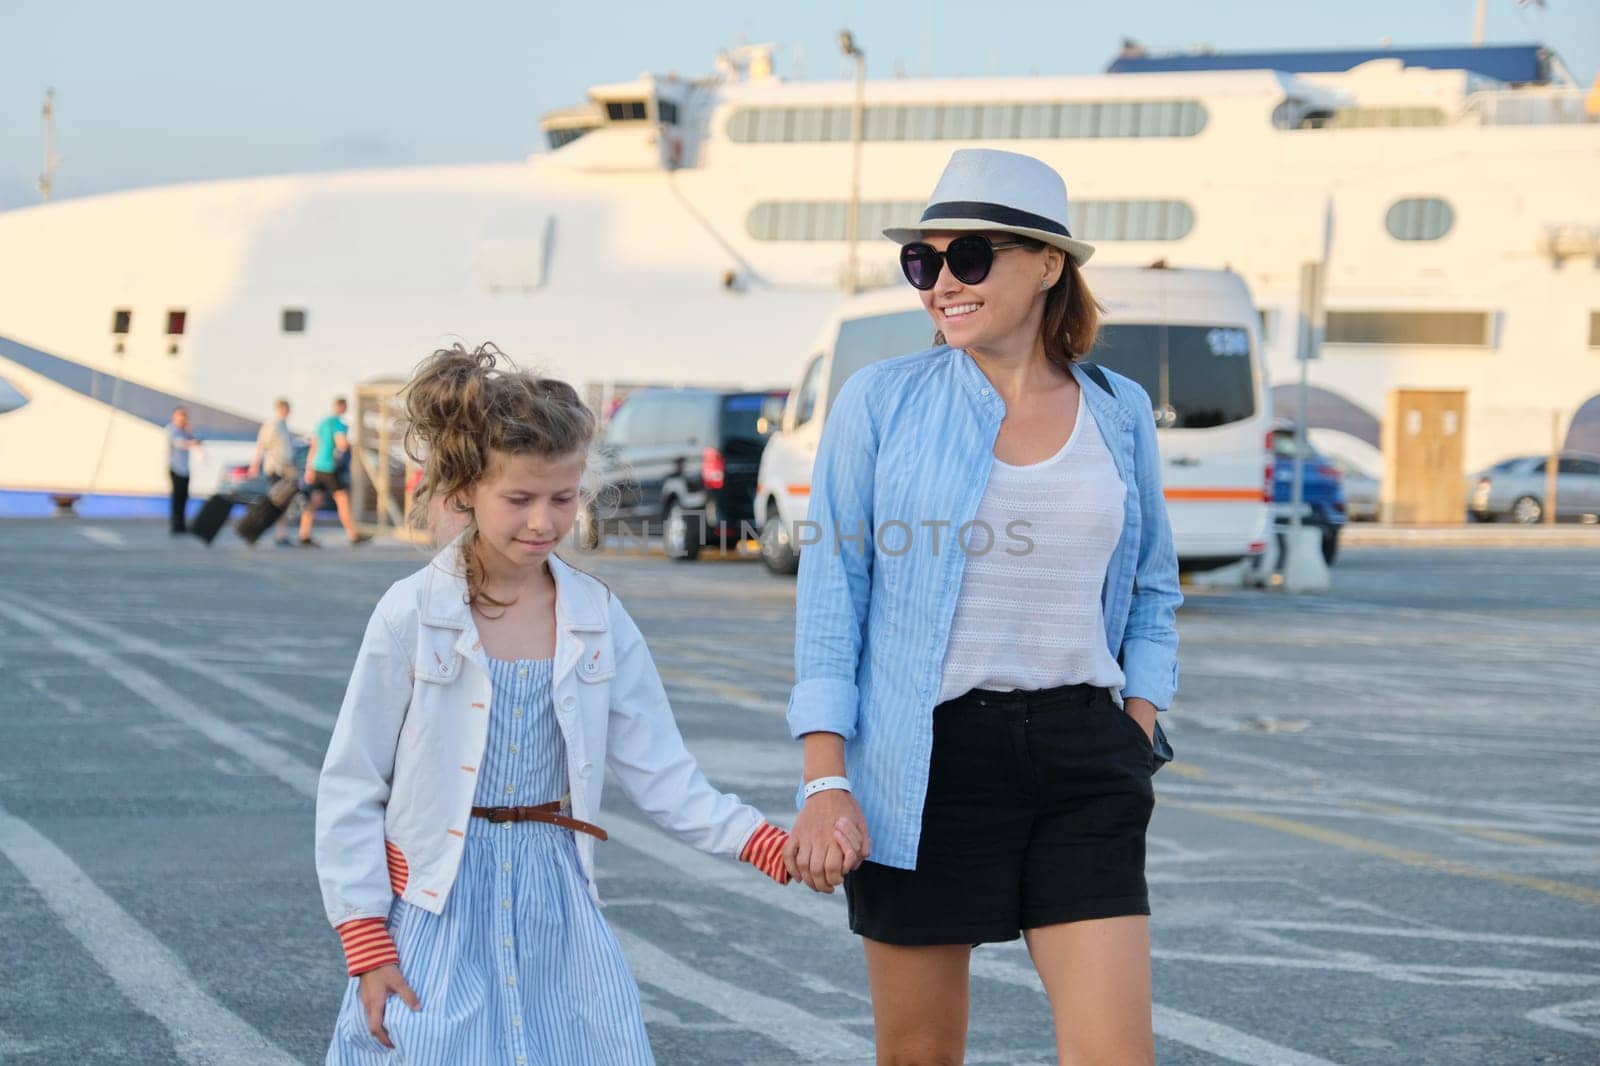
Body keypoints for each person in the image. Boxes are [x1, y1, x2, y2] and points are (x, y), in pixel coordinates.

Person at [315, 344, 843, 1065]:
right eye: (520, 499)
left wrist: (767, 846)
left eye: (562, 499)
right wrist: (366, 939)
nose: (542, 521)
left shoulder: (597, 617)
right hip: (435, 904)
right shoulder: (412, 614)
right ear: (467, 489)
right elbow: (353, 783)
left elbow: (663, 773)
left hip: (554, 905)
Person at [782, 149, 1182, 1065]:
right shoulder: (880, 403)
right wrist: (824, 778)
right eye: (925, 262)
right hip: (926, 761)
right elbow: (833, 595)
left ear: (1048, 264)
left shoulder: (1119, 410)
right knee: (921, 1054)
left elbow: (1154, 587)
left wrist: (1139, 720)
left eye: (969, 259)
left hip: (1086, 756)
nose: (941, 283)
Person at [298, 396, 369, 547]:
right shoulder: (338, 423)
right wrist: (349, 447)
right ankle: (353, 535)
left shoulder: (322, 423)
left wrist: (308, 469)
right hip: (329, 468)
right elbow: (341, 444)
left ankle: (304, 535)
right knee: (342, 500)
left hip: (317, 467)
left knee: (313, 501)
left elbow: (314, 446)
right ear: (343, 408)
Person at [248, 397, 297, 546]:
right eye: (285, 409)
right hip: (275, 469)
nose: (287, 412)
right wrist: (255, 465)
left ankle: (280, 533)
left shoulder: (284, 426)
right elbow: (262, 445)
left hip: (285, 470)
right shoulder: (273, 425)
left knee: (283, 503)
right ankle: (253, 530)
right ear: (280, 409)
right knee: (274, 503)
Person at [165, 407, 200, 534]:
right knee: (177, 498)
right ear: (175, 417)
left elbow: (197, 441)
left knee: (184, 498)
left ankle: (182, 524)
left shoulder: (185, 431)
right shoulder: (172, 429)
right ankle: (175, 525)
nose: (182, 419)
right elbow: (180, 444)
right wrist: (191, 442)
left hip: (185, 469)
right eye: (180, 416)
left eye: (184, 416)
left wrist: (190, 432)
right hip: (176, 469)